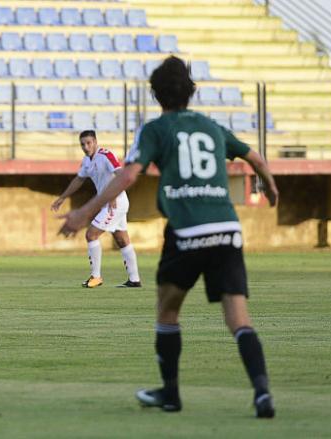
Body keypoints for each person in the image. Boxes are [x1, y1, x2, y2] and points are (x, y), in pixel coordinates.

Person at [59, 56, 279, 418]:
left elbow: (128, 176)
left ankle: (172, 394)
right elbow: (253, 156)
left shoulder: (156, 130)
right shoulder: (210, 127)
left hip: (187, 231)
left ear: (156, 94)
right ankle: (261, 392)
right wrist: (269, 184)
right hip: (226, 229)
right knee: (239, 318)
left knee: (168, 310)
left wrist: (84, 211)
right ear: (191, 91)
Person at [51, 130, 141, 288]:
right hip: (109, 202)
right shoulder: (86, 161)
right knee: (122, 239)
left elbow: (121, 174)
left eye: (88, 143)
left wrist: (113, 195)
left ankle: (96, 277)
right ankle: (134, 280)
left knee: (91, 234)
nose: (86, 147)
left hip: (115, 201)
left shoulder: (106, 155)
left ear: (95, 141)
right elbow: (78, 180)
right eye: (82, 144)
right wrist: (62, 197)